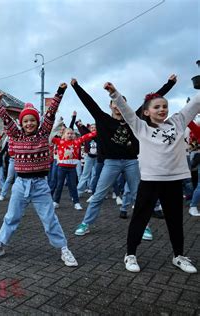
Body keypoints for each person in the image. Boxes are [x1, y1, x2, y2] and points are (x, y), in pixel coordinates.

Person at [104, 82, 199, 274]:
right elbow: (127, 111)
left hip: (174, 181)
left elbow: (195, 104)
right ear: (146, 112)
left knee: (175, 219)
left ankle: (178, 256)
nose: (162, 109)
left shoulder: (178, 122)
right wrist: (114, 93)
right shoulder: (141, 127)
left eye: (164, 106)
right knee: (140, 217)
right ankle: (130, 254)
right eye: (157, 107)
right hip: (150, 181)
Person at [0, 83, 78, 267]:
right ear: (21, 123)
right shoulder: (16, 135)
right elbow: (4, 116)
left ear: (37, 121)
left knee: (49, 219)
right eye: (25, 121)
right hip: (20, 184)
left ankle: (63, 249)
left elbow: (51, 112)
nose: (29, 123)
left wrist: (59, 92)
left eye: (32, 120)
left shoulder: (43, 133)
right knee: (11, 217)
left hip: (40, 185)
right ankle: (0, 245)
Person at [71, 75, 177, 236]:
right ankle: (86, 223)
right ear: (110, 105)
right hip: (111, 163)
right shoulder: (103, 119)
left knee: (138, 195)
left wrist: (169, 84)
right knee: (98, 195)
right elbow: (89, 103)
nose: (117, 106)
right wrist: (76, 86)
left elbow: (152, 100)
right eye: (114, 103)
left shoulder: (134, 119)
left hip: (131, 162)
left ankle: (144, 226)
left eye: (120, 103)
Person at [52, 126, 97, 210]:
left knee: (73, 186)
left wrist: (98, 131)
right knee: (59, 185)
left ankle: (76, 203)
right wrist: (56, 126)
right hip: (61, 167)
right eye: (68, 133)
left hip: (72, 168)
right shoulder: (60, 141)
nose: (70, 135)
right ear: (64, 135)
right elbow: (50, 137)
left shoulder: (77, 142)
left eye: (71, 133)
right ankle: (56, 202)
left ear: (74, 135)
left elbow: (86, 136)